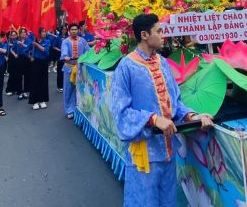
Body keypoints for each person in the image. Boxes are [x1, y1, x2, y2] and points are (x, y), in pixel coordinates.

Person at [111, 14, 214, 207]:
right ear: (144, 35)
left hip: (168, 149)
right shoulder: (126, 67)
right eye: (158, 31)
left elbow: (176, 103)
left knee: (169, 202)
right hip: (144, 152)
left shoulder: (163, 63)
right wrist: (153, 119)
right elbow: (120, 113)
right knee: (143, 203)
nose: (162, 35)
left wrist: (193, 116)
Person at [60, 23, 90, 119]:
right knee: (68, 89)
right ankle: (69, 110)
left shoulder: (83, 41)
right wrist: (66, 57)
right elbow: (64, 52)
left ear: (78, 30)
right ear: (69, 31)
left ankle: (80, 108)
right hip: (69, 68)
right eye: (72, 29)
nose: (73, 31)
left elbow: (88, 51)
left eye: (75, 29)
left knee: (81, 88)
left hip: (80, 69)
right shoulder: (65, 42)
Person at [25, 27, 51, 110]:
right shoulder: (33, 42)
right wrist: (30, 57)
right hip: (35, 63)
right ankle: (34, 101)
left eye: (45, 31)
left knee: (43, 81)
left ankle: (42, 100)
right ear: (38, 33)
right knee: (34, 81)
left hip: (44, 63)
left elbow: (46, 51)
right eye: (43, 32)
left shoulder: (47, 41)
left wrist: (37, 45)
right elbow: (25, 51)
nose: (44, 33)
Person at [15, 28, 32, 100]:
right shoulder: (17, 41)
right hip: (20, 58)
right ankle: (19, 91)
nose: (23, 34)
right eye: (22, 33)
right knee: (19, 75)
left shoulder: (29, 41)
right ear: (19, 34)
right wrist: (15, 54)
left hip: (27, 57)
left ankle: (26, 90)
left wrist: (22, 44)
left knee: (27, 74)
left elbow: (29, 48)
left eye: (24, 32)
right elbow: (12, 49)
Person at [52, 24, 68, 93]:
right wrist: (59, 50)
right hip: (60, 56)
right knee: (60, 72)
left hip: (67, 57)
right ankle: (60, 86)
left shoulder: (68, 37)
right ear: (61, 30)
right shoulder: (58, 37)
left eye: (65, 29)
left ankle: (66, 85)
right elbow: (54, 46)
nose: (64, 31)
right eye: (63, 29)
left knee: (67, 72)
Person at [5, 31, 19, 96]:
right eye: (12, 35)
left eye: (14, 35)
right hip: (10, 58)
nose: (13, 36)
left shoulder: (18, 42)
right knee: (11, 74)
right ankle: (9, 89)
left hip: (17, 57)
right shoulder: (7, 43)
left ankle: (16, 89)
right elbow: (5, 51)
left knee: (17, 74)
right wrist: (6, 57)